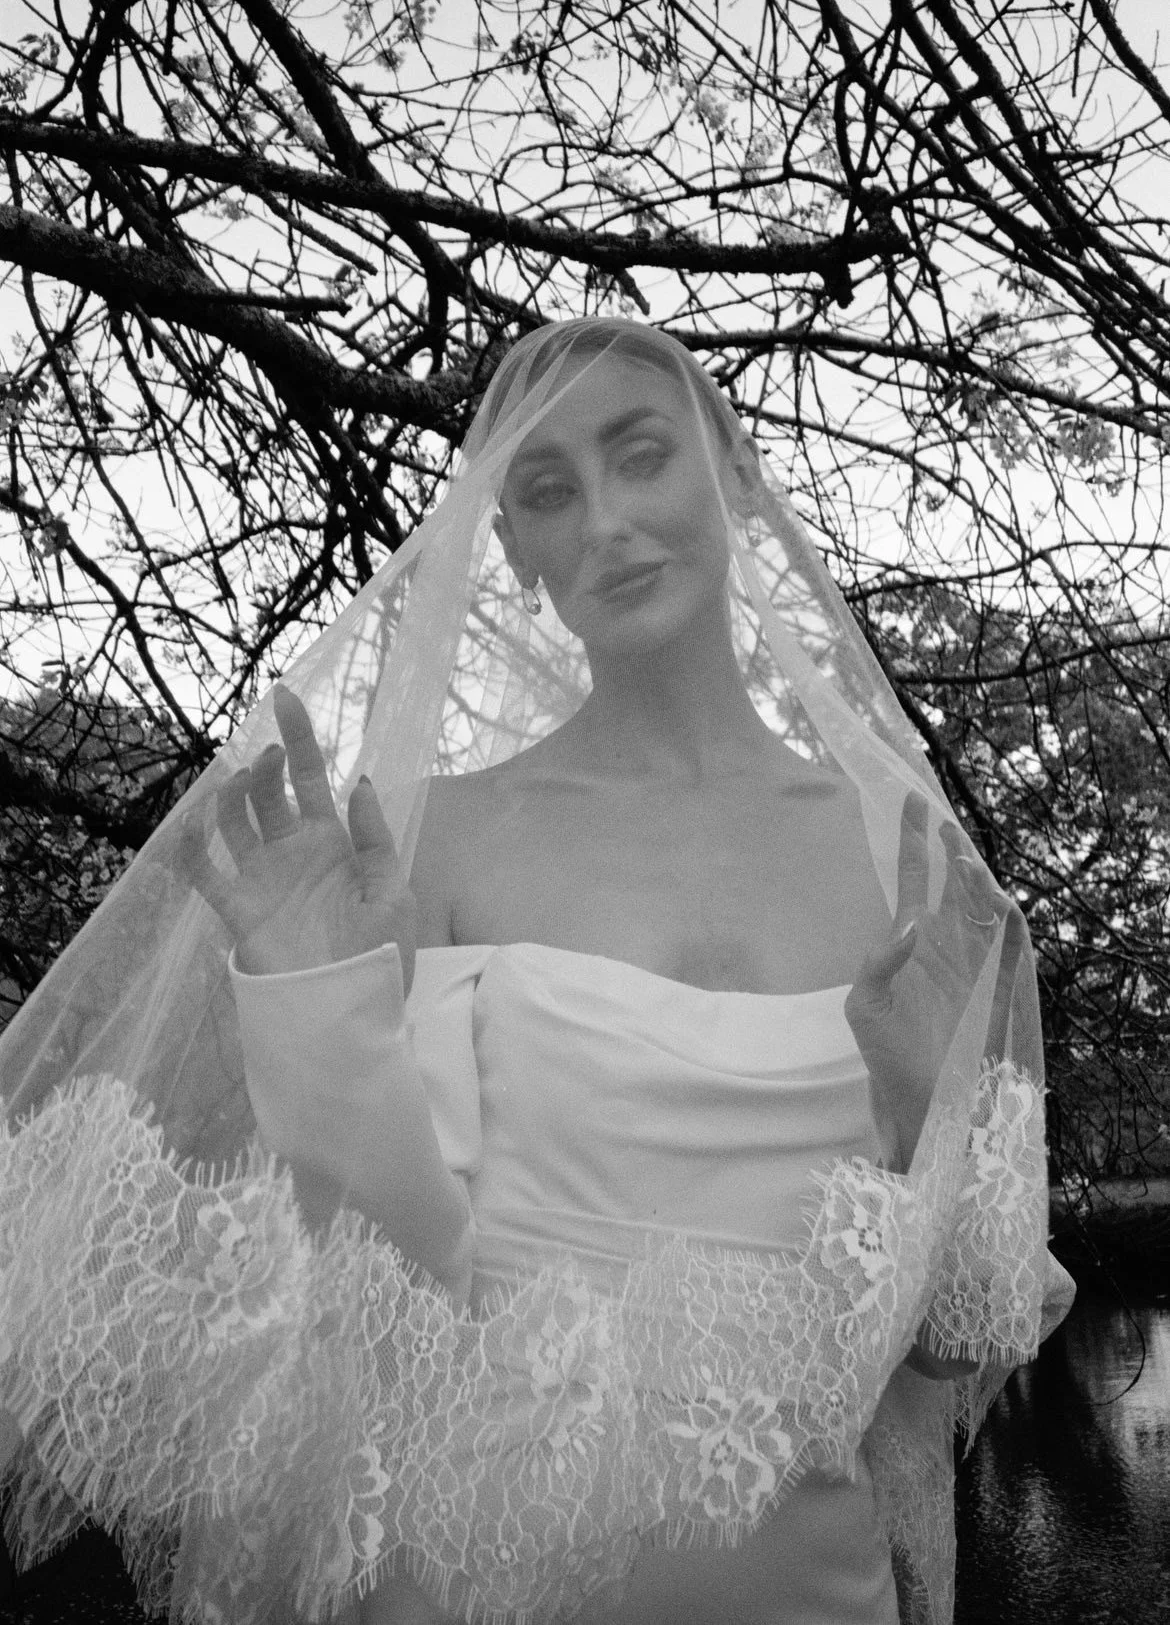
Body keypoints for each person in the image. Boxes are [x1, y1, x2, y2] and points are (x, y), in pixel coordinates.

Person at [0, 320, 1073, 1625]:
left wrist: (921, 1105)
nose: (606, 521)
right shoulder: (447, 837)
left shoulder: (902, 857)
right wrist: (316, 1004)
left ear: (734, 473)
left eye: (642, 455)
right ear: (510, 548)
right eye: (550, 491)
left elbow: (953, 1344)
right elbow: (386, 1302)